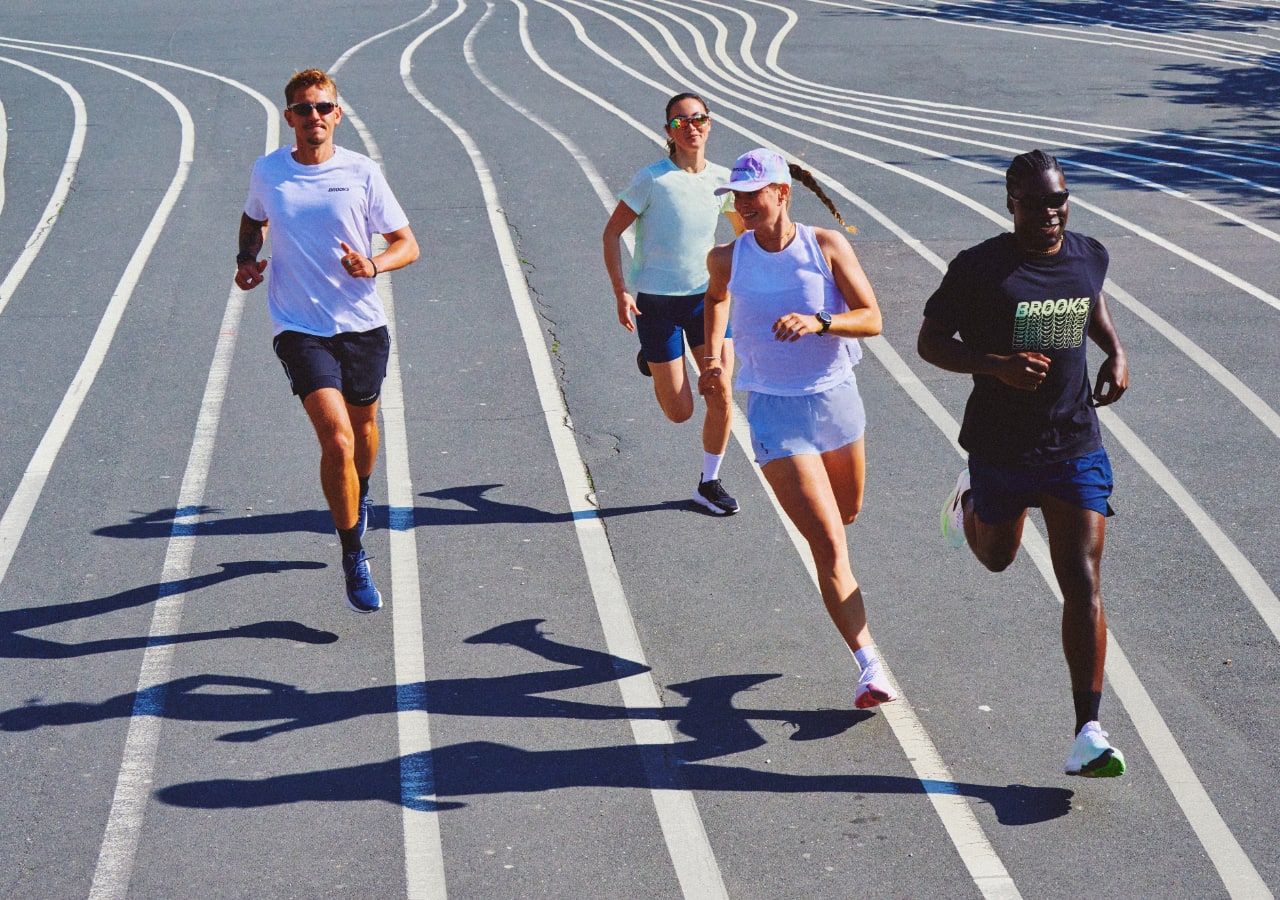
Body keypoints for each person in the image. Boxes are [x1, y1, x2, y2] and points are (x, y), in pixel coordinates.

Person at [917, 149, 1129, 777]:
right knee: (998, 557)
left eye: (1060, 200)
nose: (1052, 213)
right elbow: (930, 342)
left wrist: (1115, 351)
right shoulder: (980, 269)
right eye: (1038, 204)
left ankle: (1087, 730)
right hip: (1001, 448)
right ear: (1011, 204)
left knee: (1083, 582)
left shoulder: (1089, 254)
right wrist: (995, 366)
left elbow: (1090, 302)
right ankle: (971, 501)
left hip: (1073, 445)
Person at [699, 148, 896, 710]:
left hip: (835, 401)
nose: (742, 205)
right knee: (830, 543)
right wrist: (713, 357)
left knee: (848, 512)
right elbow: (714, 300)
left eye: (751, 195)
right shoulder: (727, 258)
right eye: (735, 196)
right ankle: (868, 666)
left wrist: (821, 322)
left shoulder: (824, 246)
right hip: (774, 412)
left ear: (781, 193)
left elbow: (873, 319)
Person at [235, 68, 419, 614]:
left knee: (364, 429)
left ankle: (358, 496)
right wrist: (247, 261)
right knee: (336, 440)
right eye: (302, 109)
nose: (313, 117)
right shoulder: (268, 172)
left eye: (323, 108)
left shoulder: (361, 172)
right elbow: (252, 221)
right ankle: (353, 553)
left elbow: (407, 244)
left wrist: (374, 264)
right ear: (288, 116)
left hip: (361, 325)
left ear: (337, 114)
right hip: (299, 327)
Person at [603, 92, 745, 515]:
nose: (692, 126)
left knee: (720, 390)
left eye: (698, 118)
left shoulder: (722, 180)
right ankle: (651, 356)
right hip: (657, 307)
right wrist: (620, 290)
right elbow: (611, 234)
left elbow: (744, 236)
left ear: (709, 123)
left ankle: (710, 481)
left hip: (706, 302)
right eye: (681, 121)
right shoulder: (652, 180)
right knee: (680, 412)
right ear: (669, 131)